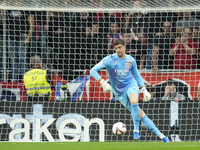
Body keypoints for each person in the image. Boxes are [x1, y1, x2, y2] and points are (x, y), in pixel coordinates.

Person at [90, 39, 170, 143]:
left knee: (134, 103)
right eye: (116, 48)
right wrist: (102, 82)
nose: (118, 50)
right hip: (119, 92)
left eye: (119, 47)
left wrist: (144, 89)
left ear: (124, 47)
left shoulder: (130, 60)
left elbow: (136, 74)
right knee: (140, 114)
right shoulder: (109, 59)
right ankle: (163, 137)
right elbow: (93, 70)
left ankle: (136, 131)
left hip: (130, 85)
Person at [6, 7, 35, 82]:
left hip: (22, 36)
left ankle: (25, 79)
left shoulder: (25, 7)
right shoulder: (8, 7)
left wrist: (28, 37)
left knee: (22, 59)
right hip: (11, 36)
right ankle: (14, 79)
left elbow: (32, 24)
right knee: (13, 59)